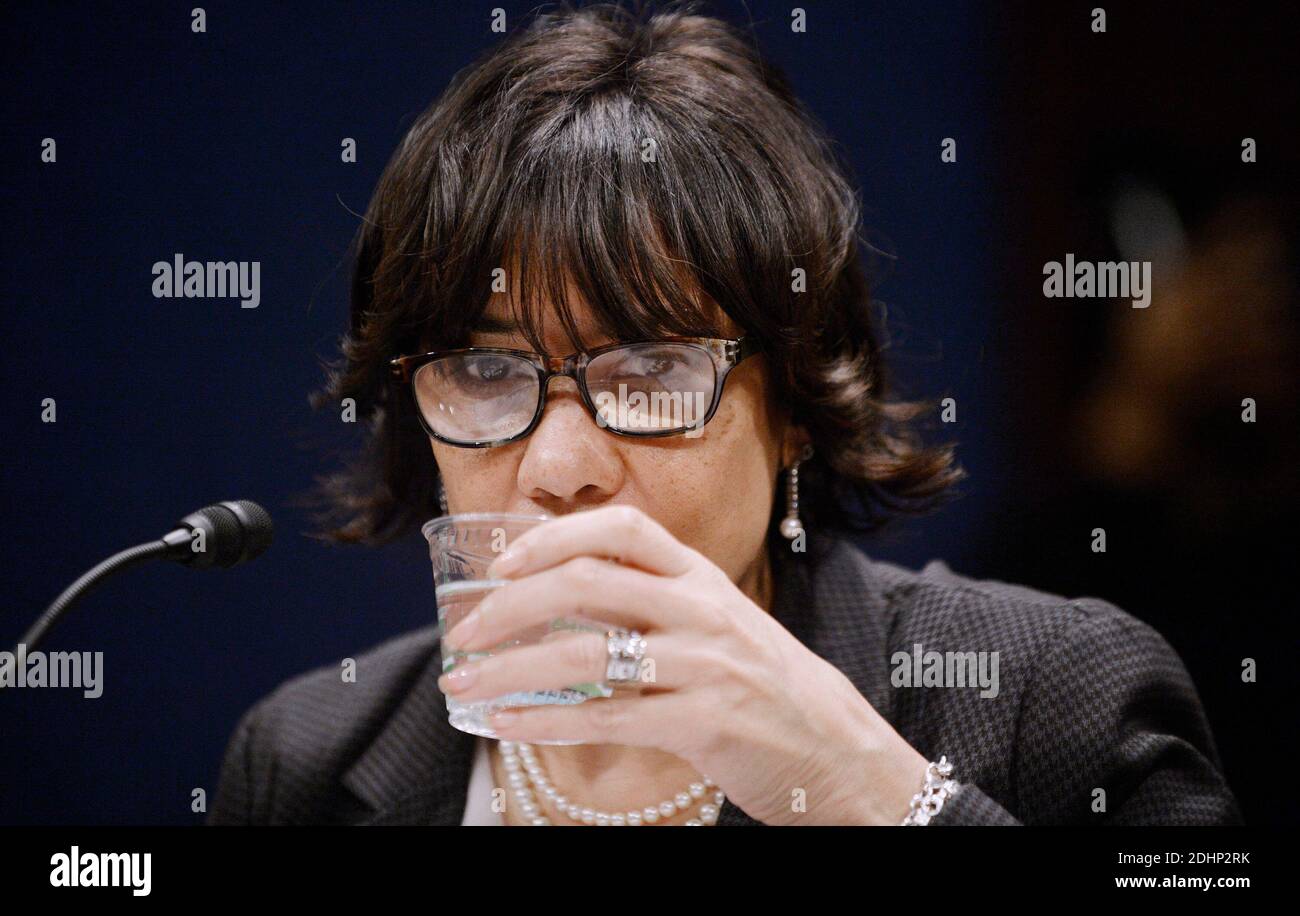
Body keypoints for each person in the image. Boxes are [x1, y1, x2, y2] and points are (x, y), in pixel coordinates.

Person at [209, 3, 1239, 826]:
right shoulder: (303, 755)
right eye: (483, 368)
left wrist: (867, 797)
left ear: (795, 400)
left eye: (649, 362)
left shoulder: (1049, 696)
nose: (559, 464)